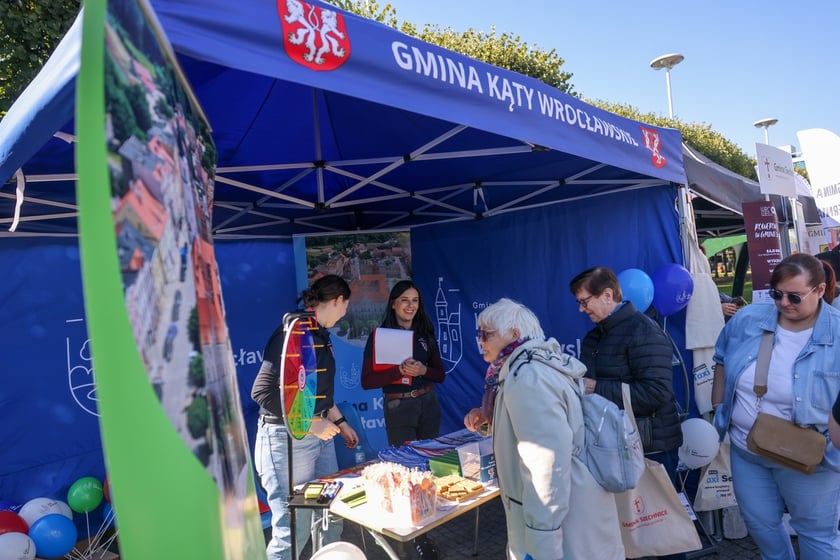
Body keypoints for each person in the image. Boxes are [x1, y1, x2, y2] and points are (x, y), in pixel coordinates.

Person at [463, 298, 624, 560]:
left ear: (514, 334)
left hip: (564, 530)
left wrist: (542, 547)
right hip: (570, 516)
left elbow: (546, 467)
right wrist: (490, 420)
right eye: (478, 333)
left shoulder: (527, 377)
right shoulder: (526, 368)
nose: (479, 340)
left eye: (486, 334)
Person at [711, 253, 840, 559]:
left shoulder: (836, 332)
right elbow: (720, 357)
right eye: (776, 294)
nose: (784, 303)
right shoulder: (748, 318)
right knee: (761, 525)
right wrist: (717, 404)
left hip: (810, 457)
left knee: (816, 534)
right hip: (747, 449)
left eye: (795, 296)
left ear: (820, 290)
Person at [251, 274, 359, 560]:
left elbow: (318, 394)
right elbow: (261, 392)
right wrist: (312, 424)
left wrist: (340, 422)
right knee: (293, 528)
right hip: (286, 441)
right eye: (345, 305)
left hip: (318, 437)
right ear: (337, 301)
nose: (345, 312)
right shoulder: (293, 332)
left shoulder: (320, 333)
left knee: (329, 515)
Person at [568, 266, 683, 478]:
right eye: (579, 303)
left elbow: (656, 392)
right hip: (612, 448)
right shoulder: (593, 338)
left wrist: (596, 387)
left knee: (658, 511)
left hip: (650, 449)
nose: (581, 310)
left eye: (584, 302)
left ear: (607, 295)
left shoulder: (644, 330)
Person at [361, 279, 445, 446]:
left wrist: (423, 371)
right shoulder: (379, 336)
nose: (410, 305)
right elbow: (367, 381)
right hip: (398, 406)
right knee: (405, 462)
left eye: (415, 300)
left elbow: (440, 375)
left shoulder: (425, 333)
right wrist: (399, 371)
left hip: (428, 402)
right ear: (393, 304)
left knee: (430, 459)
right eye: (404, 300)